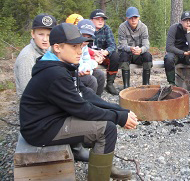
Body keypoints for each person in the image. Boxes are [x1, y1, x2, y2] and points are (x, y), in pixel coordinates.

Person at [20, 23, 138, 180]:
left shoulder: (65, 65)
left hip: (53, 118)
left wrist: (119, 110)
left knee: (106, 124)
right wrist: (119, 118)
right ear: (57, 48)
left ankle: (104, 166)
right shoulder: (55, 73)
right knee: (106, 129)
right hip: (40, 129)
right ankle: (99, 176)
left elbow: (86, 94)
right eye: (74, 46)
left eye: (81, 46)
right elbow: (83, 109)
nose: (79, 51)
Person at [14, 13, 57, 96]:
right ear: (33, 34)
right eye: (41, 34)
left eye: (49, 35)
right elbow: (27, 90)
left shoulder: (49, 50)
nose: (45, 39)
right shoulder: (27, 57)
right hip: (32, 103)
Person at [164, 11, 190, 96]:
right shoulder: (174, 28)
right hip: (176, 54)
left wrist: (189, 32)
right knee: (168, 58)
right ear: (181, 21)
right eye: (185, 20)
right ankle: (171, 84)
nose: (188, 22)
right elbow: (169, 47)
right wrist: (184, 53)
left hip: (189, 56)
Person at [117, 7, 152, 89]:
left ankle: (146, 84)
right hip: (127, 53)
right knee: (123, 55)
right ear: (127, 18)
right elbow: (122, 45)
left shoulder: (143, 27)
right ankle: (126, 86)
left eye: (135, 17)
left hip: (139, 54)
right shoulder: (122, 27)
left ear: (139, 17)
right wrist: (131, 49)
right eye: (131, 18)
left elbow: (146, 45)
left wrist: (141, 50)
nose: (133, 20)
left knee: (147, 55)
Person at [90, 9, 119, 95]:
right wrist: (93, 53)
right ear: (91, 20)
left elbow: (112, 45)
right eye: (97, 19)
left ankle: (110, 84)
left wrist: (106, 52)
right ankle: (90, 83)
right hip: (90, 54)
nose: (100, 21)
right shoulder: (86, 29)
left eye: (102, 19)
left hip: (103, 55)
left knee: (115, 56)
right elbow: (82, 46)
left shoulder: (106, 29)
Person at [77, 19, 106, 96]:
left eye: (88, 37)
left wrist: (92, 65)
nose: (85, 39)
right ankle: (89, 104)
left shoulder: (84, 46)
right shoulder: (73, 45)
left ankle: (98, 99)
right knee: (91, 80)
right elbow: (76, 65)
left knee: (100, 75)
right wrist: (93, 65)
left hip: (82, 70)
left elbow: (87, 61)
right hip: (72, 74)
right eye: (83, 35)